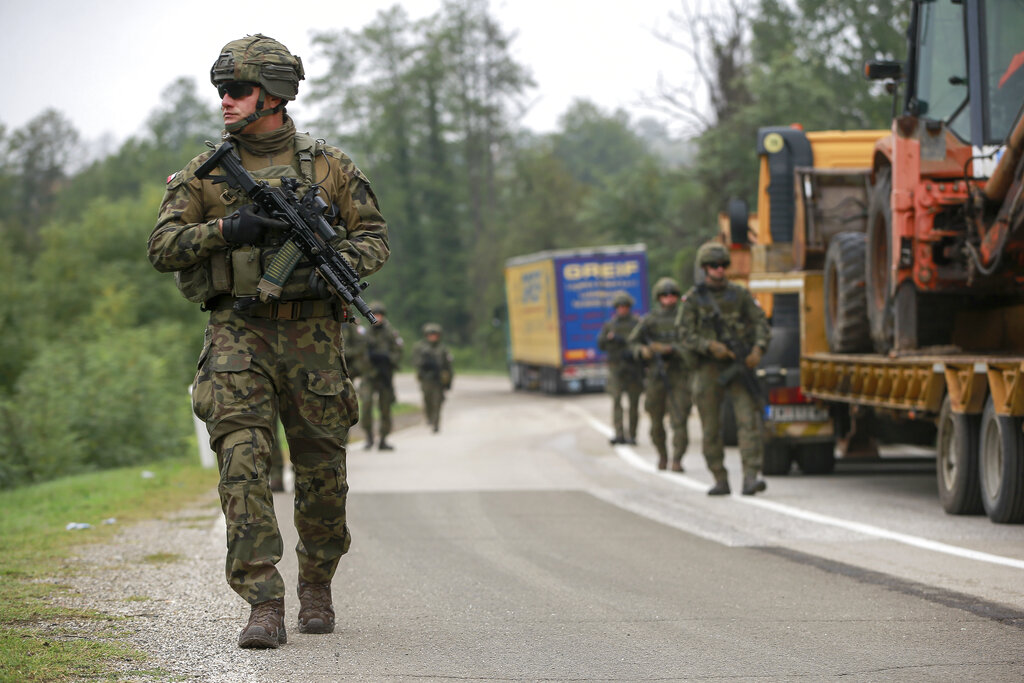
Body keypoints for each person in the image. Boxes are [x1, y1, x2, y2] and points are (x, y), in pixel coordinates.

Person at [147, 34, 389, 649]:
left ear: (274, 95)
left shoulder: (330, 166)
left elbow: (375, 240)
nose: (225, 100)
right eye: (221, 89)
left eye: (238, 89)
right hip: (237, 336)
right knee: (243, 464)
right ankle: (263, 600)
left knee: (322, 474)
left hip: (313, 337)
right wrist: (227, 229)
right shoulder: (203, 173)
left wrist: (325, 260)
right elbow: (162, 248)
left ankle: (316, 586)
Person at [677, 242, 770, 496]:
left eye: (723, 266)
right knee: (711, 427)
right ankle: (719, 477)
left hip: (739, 367)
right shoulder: (694, 299)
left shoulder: (740, 295)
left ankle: (751, 476)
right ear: (705, 268)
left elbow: (760, 321)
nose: (719, 270)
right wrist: (709, 346)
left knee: (748, 422)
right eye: (713, 266)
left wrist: (758, 349)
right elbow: (684, 335)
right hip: (709, 368)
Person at [627, 278, 694, 471]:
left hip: (680, 373)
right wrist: (645, 351)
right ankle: (662, 456)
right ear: (659, 297)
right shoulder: (650, 320)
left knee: (679, 419)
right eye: (665, 295)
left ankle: (677, 459)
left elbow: (693, 343)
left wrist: (671, 349)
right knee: (655, 420)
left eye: (673, 294)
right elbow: (633, 343)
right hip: (656, 375)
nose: (669, 299)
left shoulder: (685, 319)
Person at [596, 292, 644, 445]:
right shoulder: (610, 325)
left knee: (634, 404)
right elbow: (600, 344)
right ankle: (619, 433)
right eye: (620, 307)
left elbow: (643, 342)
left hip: (634, 369)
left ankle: (632, 434)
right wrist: (609, 338)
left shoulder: (637, 324)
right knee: (617, 401)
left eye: (625, 306)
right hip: (616, 368)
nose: (622, 309)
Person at [360, 301, 403, 450]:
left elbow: (398, 352)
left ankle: (383, 438)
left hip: (385, 376)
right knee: (365, 406)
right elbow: (357, 353)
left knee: (385, 407)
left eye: (379, 315)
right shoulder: (364, 333)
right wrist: (368, 360)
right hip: (368, 376)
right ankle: (369, 437)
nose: (377, 318)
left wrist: (387, 358)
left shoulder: (391, 333)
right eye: (374, 315)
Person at [411, 322, 454, 433]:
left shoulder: (443, 349)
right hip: (426, 378)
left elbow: (448, 366)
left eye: (435, 335)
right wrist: (425, 363)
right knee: (428, 400)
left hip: (438, 380)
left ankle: (436, 422)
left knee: (437, 401)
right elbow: (416, 361)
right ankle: (430, 418)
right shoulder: (420, 347)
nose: (432, 337)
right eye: (430, 334)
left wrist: (448, 382)